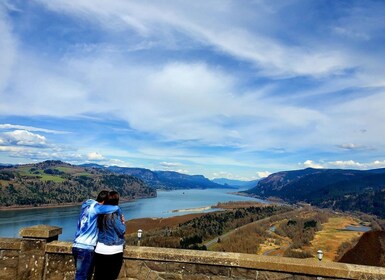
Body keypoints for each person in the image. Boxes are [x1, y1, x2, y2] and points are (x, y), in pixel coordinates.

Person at [72, 190, 119, 280]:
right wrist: (119, 213)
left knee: (80, 274)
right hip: (86, 248)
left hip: (76, 246)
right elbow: (114, 208)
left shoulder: (86, 205)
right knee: (83, 276)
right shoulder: (96, 208)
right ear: (104, 202)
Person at [93, 191, 126, 280]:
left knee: (98, 276)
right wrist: (123, 222)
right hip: (113, 251)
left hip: (99, 249)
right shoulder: (113, 215)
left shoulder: (99, 213)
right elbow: (122, 230)